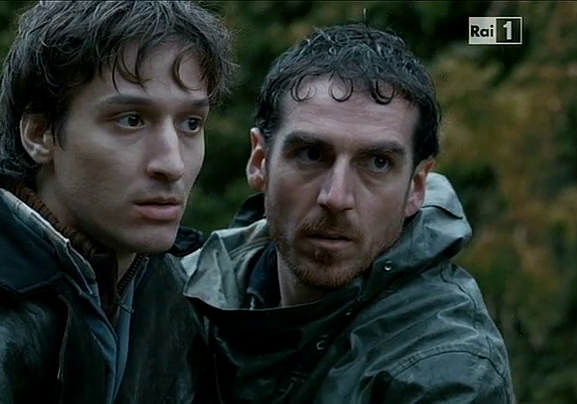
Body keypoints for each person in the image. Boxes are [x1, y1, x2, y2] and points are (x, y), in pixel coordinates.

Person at [0, 1, 235, 403]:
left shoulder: (178, 288)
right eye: (131, 120)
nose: (172, 164)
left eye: (191, 123)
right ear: (39, 133)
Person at [180, 24, 515, 403]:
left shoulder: (446, 367)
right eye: (311, 154)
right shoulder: (179, 293)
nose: (336, 197)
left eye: (377, 163)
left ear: (416, 187)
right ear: (260, 162)